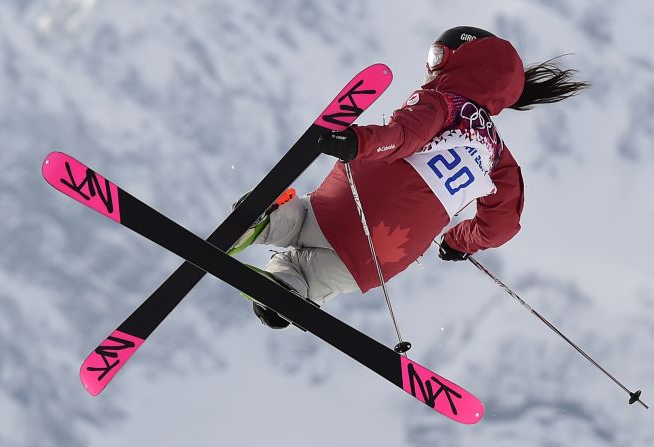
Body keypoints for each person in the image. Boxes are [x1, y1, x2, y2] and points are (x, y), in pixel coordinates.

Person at [233, 26, 590, 329]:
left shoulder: (442, 102)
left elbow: (404, 136)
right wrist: (458, 241)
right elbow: (502, 225)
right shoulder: (500, 159)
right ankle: (288, 288)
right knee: (307, 274)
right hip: (374, 264)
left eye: (437, 56)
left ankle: (262, 221)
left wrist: (358, 141)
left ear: (462, 62)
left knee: (297, 220)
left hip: (332, 214)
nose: (430, 67)